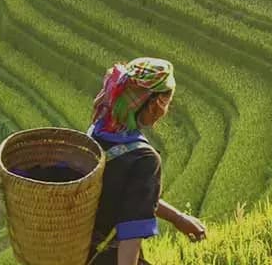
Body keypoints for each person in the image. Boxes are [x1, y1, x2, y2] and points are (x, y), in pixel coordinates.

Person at [86, 57, 207, 265]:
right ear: (155, 104)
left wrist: (178, 218)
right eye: (167, 102)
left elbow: (131, 193)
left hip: (78, 251)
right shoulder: (145, 159)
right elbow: (130, 237)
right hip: (107, 256)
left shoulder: (99, 130)